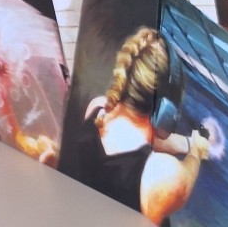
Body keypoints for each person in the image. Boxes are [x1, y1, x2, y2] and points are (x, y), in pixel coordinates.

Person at [75, 27, 215, 226]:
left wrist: (188, 142)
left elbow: (139, 142)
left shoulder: (96, 109)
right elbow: (186, 176)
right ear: (166, 110)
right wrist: (196, 152)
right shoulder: (164, 175)